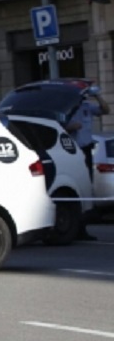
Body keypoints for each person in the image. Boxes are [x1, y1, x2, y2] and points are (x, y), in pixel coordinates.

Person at [64, 84, 110, 240]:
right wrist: (70, 127)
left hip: (86, 149)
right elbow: (58, 125)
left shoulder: (86, 106)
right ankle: (75, 227)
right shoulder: (66, 108)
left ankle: (82, 228)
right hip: (72, 151)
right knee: (76, 189)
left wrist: (97, 96)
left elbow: (105, 110)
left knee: (85, 189)